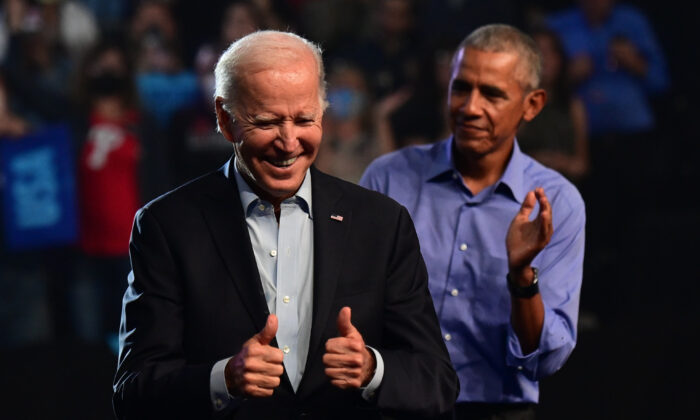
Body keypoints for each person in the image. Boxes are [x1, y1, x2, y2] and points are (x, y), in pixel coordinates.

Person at [113, 30, 458, 419]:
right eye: (267, 121)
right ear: (226, 120)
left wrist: (371, 370)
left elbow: (437, 383)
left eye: (305, 119)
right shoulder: (167, 226)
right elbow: (134, 394)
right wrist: (223, 380)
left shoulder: (382, 223)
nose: (289, 141)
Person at [361, 24, 585, 419]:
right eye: (461, 87)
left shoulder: (558, 203)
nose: (470, 107)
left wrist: (521, 277)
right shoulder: (388, 177)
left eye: (493, 94)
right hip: (395, 402)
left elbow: (545, 359)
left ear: (532, 105)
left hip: (497, 408)